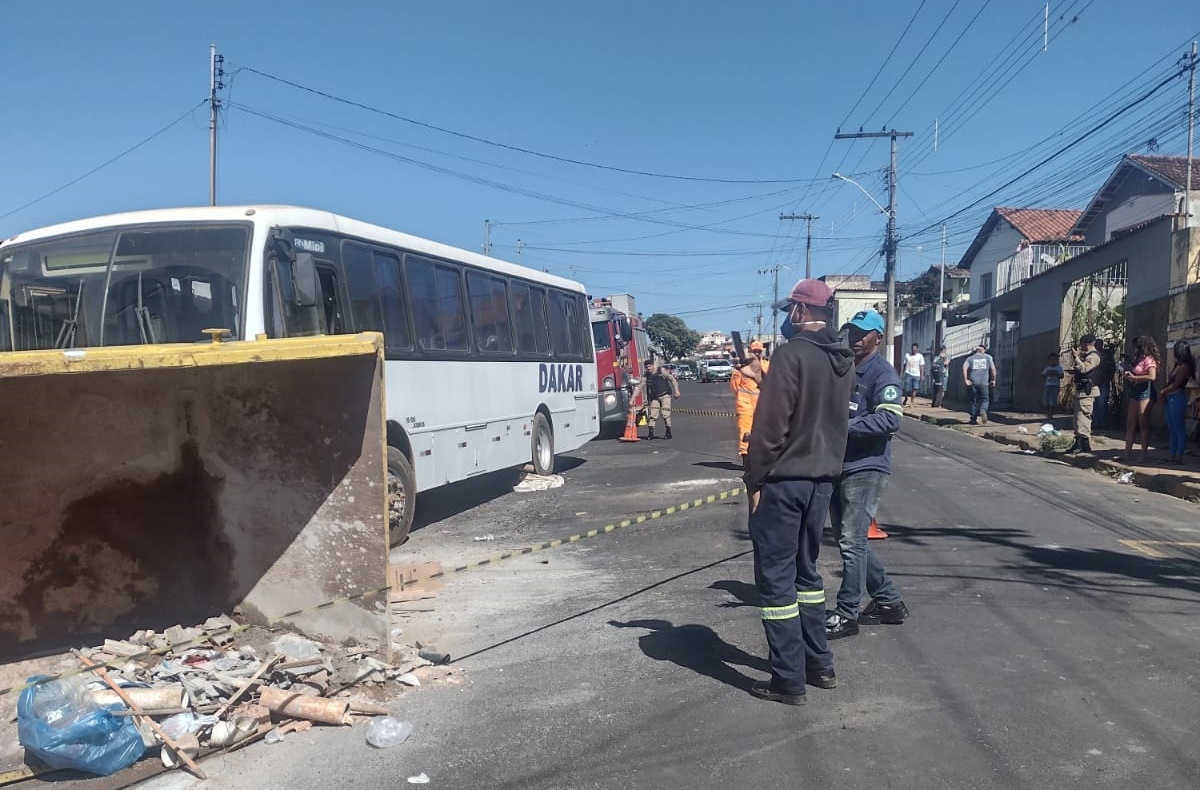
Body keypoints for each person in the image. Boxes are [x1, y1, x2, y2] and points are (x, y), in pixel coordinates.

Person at [743, 278, 855, 705]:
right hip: (822, 484)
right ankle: (819, 665)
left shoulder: (790, 355)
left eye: (790, 309)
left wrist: (755, 481)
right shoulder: (843, 360)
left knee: (776, 582)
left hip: (784, 482)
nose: (787, 316)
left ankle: (788, 680)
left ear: (802, 312)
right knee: (808, 575)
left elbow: (770, 428)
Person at [825, 310, 910, 640]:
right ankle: (888, 601)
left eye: (865, 333)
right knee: (853, 540)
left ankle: (846, 614)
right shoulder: (847, 367)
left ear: (878, 337)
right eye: (853, 331)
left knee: (850, 540)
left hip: (867, 466)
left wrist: (845, 427)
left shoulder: (882, 374)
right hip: (840, 464)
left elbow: (890, 421)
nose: (857, 337)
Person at [1120, 336, 1160, 462]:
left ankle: (1143, 455)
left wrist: (1135, 378)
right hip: (1135, 392)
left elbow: (1152, 377)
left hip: (1145, 393)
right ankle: (1126, 453)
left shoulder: (1149, 360)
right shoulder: (1137, 359)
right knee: (1130, 423)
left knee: (1143, 423)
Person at [1062, 334, 1102, 454]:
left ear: (1087, 344)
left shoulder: (1094, 356)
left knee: (1083, 418)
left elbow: (1085, 369)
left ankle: (1083, 443)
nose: (1080, 347)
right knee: (1077, 418)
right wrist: (1074, 370)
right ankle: (1078, 441)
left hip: (1087, 391)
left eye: (1082, 344)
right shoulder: (1088, 356)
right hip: (1082, 389)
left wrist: (1076, 357)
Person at [731, 340, 770, 462]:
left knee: (764, 432)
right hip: (745, 405)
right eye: (755, 351)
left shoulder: (768, 365)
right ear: (750, 351)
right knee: (745, 430)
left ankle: (761, 458)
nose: (757, 353)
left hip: (763, 405)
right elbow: (734, 387)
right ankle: (746, 457)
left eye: (759, 351)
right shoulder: (741, 368)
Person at [1160, 341, 1194, 464]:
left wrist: (1163, 391)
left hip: (1177, 397)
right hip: (1170, 398)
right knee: (1172, 428)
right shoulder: (1177, 365)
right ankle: (1172, 454)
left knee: (1179, 428)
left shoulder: (1185, 367)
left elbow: (1176, 384)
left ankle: (1179, 455)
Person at [643, 360, 680, 440]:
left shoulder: (661, 371)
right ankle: (651, 433)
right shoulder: (647, 375)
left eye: (649, 366)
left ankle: (668, 432)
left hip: (665, 395)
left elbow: (672, 380)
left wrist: (676, 390)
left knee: (665, 414)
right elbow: (646, 388)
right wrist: (646, 399)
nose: (648, 368)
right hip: (655, 397)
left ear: (653, 366)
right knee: (652, 415)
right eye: (646, 367)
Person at [962, 345, 997, 425]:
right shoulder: (988, 357)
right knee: (985, 399)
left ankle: (973, 419)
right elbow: (993, 369)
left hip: (973, 382)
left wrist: (966, 379)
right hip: (984, 383)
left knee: (973, 400)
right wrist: (993, 380)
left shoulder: (970, 358)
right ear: (983, 350)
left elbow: (964, 368)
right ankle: (983, 410)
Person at [1041, 352, 1064, 420]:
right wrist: (1047, 374)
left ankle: (1051, 413)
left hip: (1055, 385)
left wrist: (1056, 373)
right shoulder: (1047, 368)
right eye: (1051, 360)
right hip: (1048, 385)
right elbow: (1043, 376)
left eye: (1054, 359)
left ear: (1057, 360)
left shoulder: (1059, 368)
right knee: (1046, 399)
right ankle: (1047, 413)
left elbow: (1062, 376)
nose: (1052, 361)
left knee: (1052, 399)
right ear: (1049, 361)